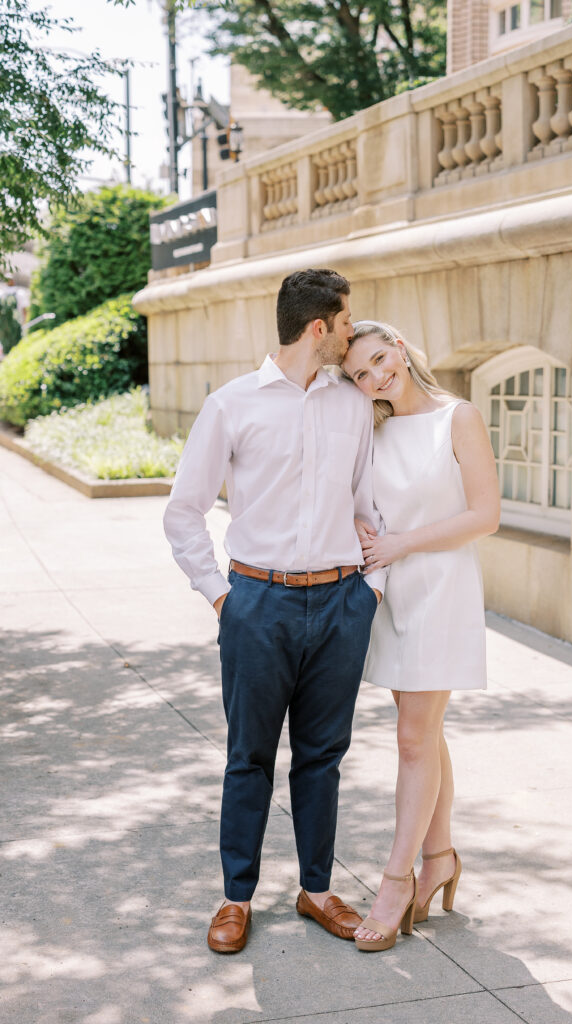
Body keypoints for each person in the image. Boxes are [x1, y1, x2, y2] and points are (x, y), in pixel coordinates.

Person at [163, 270, 386, 954]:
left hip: (340, 600)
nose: (352, 333)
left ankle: (316, 891)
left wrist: (368, 592)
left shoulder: (350, 406)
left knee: (322, 757)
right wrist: (225, 597)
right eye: (346, 322)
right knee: (248, 756)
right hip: (257, 603)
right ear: (317, 328)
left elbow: (367, 503)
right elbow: (184, 512)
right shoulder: (232, 405)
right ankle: (235, 898)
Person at [341, 320, 500, 952]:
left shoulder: (457, 417)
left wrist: (401, 543)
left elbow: (484, 515)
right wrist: (361, 524)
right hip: (391, 593)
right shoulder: (370, 427)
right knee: (423, 735)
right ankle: (440, 859)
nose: (376, 376)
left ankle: (394, 881)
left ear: (400, 349)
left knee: (411, 738)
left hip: (441, 588)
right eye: (360, 373)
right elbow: (365, 505)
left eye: (380, 359)